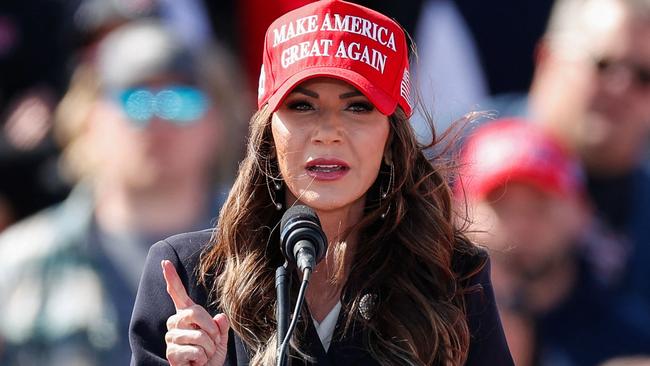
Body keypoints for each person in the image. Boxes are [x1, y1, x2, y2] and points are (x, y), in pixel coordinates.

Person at [129, 1, 513, 365]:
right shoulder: (188, 278)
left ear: (392, 138)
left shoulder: (453, 277)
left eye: (358, 106)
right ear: (268, 133)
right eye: (302, 106)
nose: (328, 133)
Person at [0, 20, 248, 365]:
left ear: (218, 120)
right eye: (135, 99)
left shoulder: (264, 255)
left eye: (181, 99)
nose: (159, 119)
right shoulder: (16, 266)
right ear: (88, 119)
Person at [457, 118, 650, 366]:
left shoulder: (632, 344)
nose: (522, 224)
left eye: (541, 205)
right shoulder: (428, 330)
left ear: (582, 212)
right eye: (501, 205)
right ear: (457, 213)